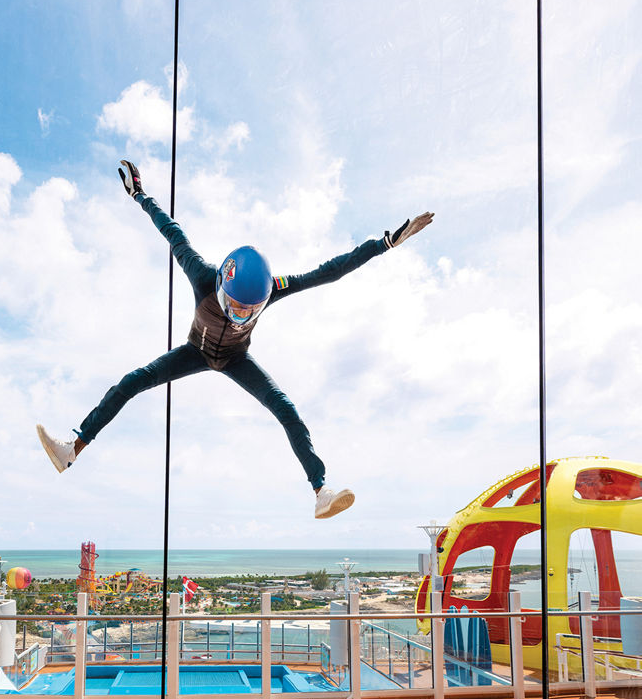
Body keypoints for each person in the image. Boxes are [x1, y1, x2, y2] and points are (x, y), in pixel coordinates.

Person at [37, 161, 433, 519]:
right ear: (224, 284)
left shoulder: (274, 287)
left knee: (287, 410)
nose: (240, 314)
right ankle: (72, 449)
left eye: (250, 311)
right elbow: (171, 230)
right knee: (133, 381)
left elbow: (330, 270)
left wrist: (385, 243)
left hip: (236, 359)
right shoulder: (202, 274)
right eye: (235, 307)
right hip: (195, 351)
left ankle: (320, 491)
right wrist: (140, 193)